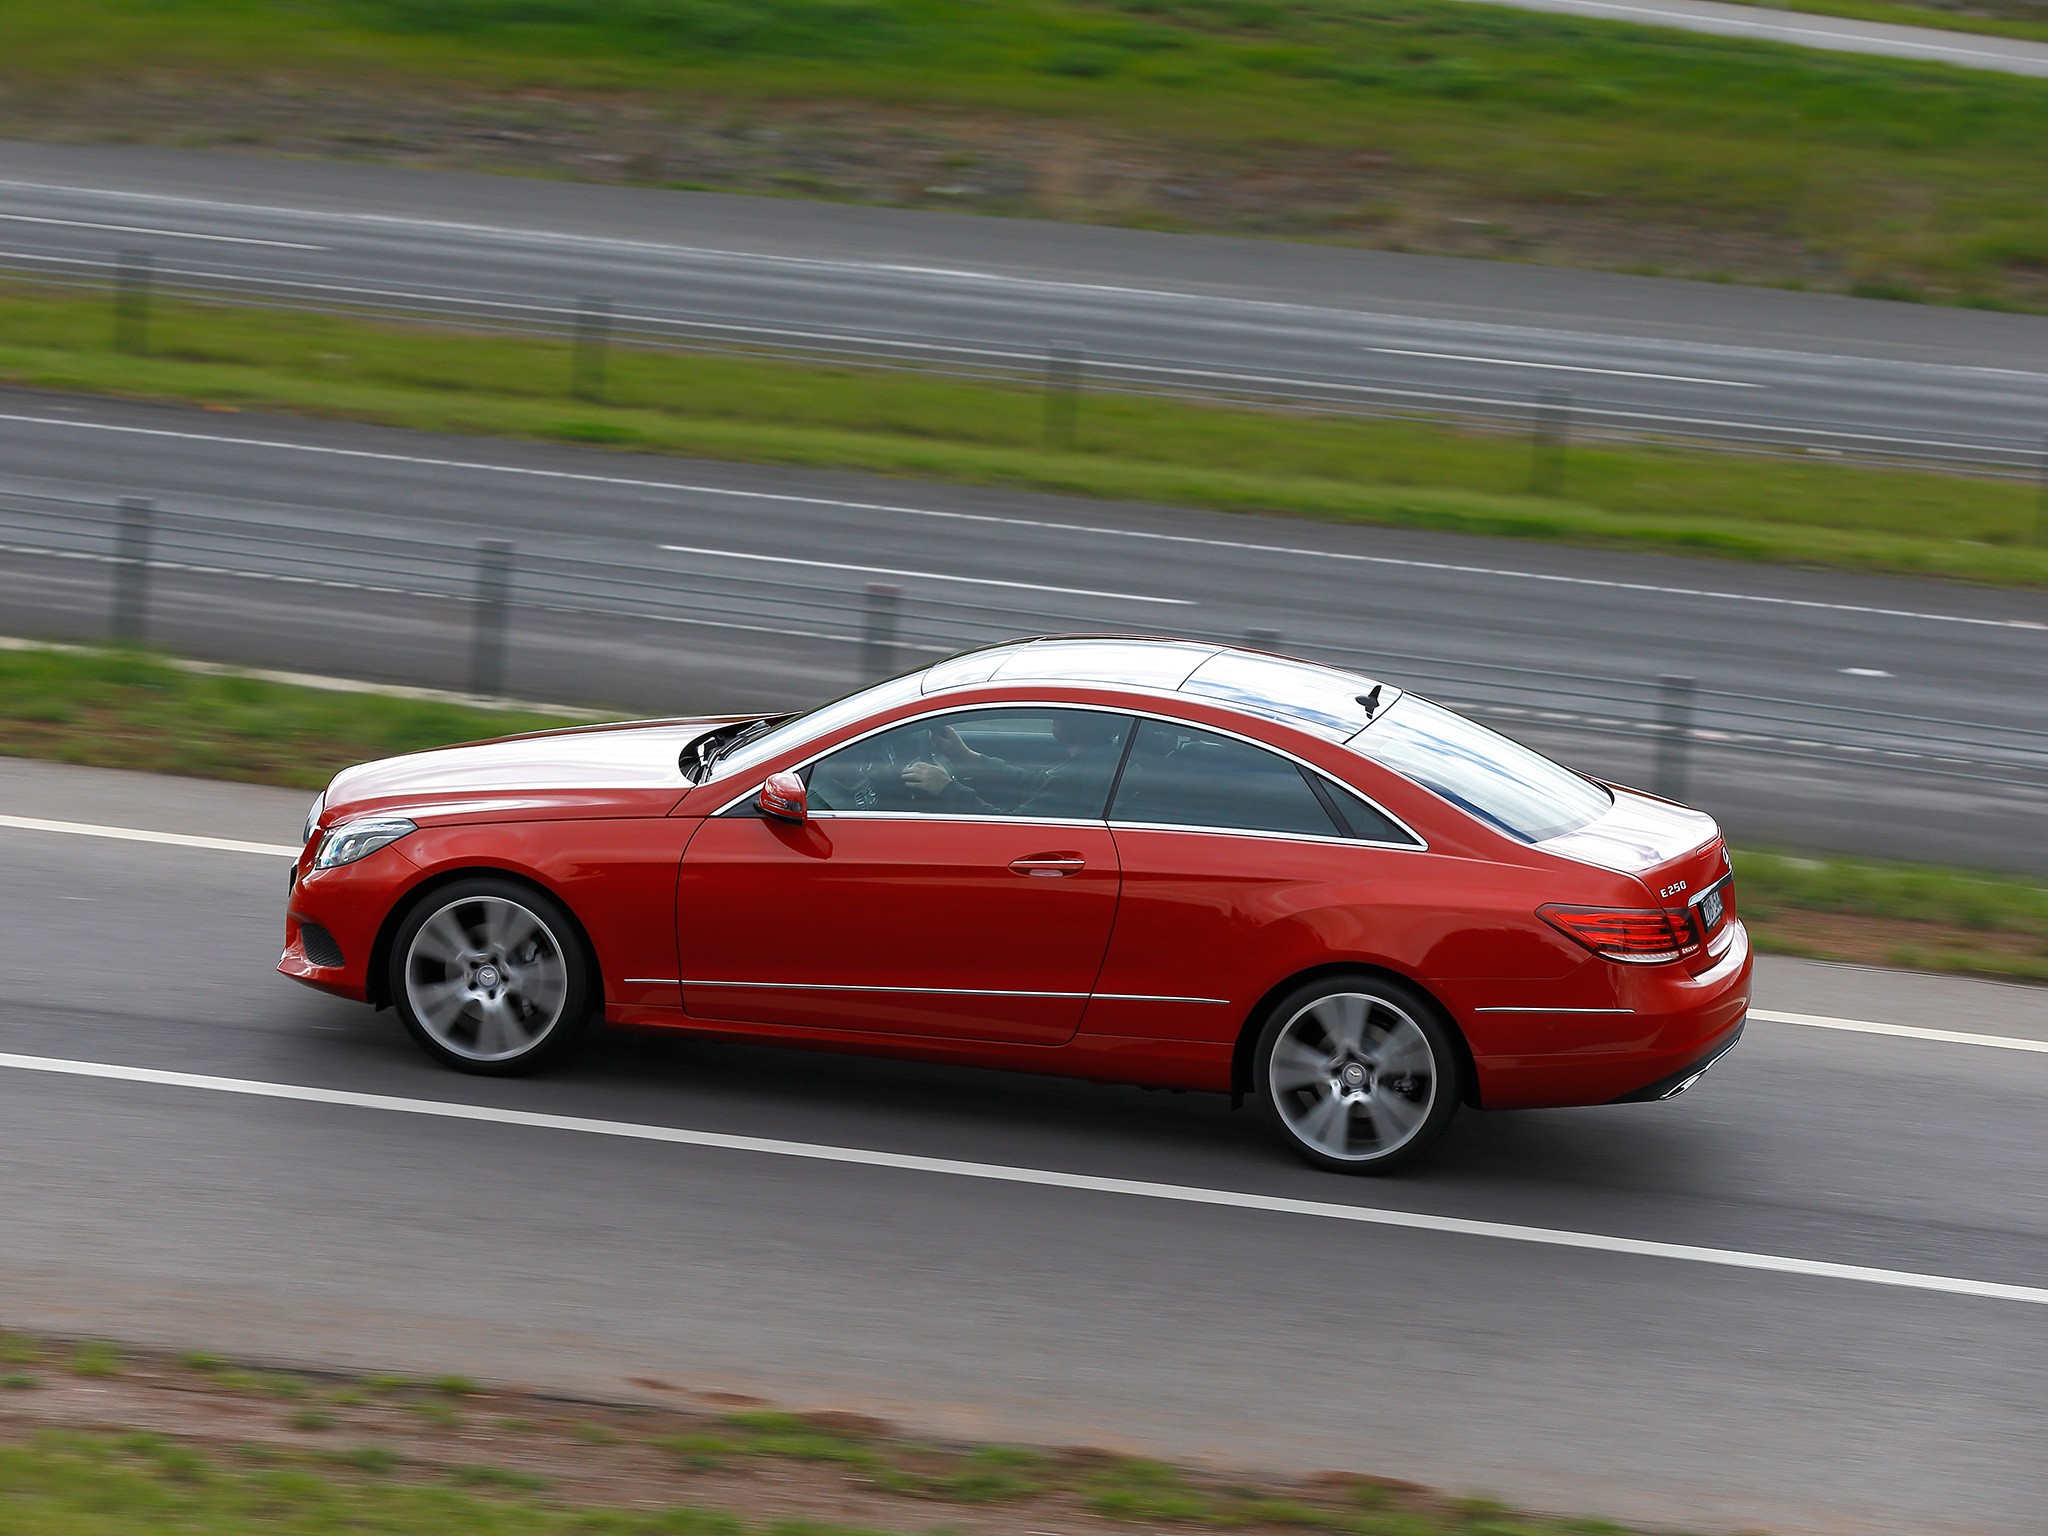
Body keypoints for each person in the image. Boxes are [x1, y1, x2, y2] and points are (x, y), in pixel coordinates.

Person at [900, 714, 1126, 817]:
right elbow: (1036, 784)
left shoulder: (1080, 776)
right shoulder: (1097, 760)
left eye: (1068, 712)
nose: (1056, 716)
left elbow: (1008, 825)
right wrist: (965, 755)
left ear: (1092, 726)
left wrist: (946, 788)